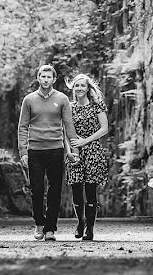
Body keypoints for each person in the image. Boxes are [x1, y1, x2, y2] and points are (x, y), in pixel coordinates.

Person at [18, 64, 81, 242]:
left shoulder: (61, 99)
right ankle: (39, 224)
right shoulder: (29, 100)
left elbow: (69, 125)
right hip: (35, 150)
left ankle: (50, 229)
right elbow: (22, 127)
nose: (45, 80)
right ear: (38, 78)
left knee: (55, 190)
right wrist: (23, 151)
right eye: (42, 76)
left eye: (49, 77)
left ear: (54, 79)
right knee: (37, 189)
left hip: (56, 149)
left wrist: (74, 150)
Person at [64, 73, 109, 241]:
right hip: (75, 152)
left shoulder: (97, 106)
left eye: (83, 85)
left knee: (90, 190)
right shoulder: (68, 107)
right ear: (73, 88)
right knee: (76, 190)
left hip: (93, 151)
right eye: (77, 86)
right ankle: (80, 222)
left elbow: (104, 129)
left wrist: (85, 141)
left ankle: (89, 228)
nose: (80, 88)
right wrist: (69, 151)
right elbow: (65, 132)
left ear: (88, 88)